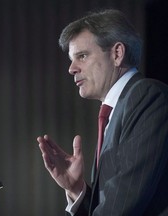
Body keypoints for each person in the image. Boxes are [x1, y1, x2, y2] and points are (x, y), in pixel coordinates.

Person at [37, 9, 168, 216]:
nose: (71, 68)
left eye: (82, 56)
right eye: (72, 59)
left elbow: (125, 202)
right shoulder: (117, 108)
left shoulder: (147, 96)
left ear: (117, 54)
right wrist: (76, 188)